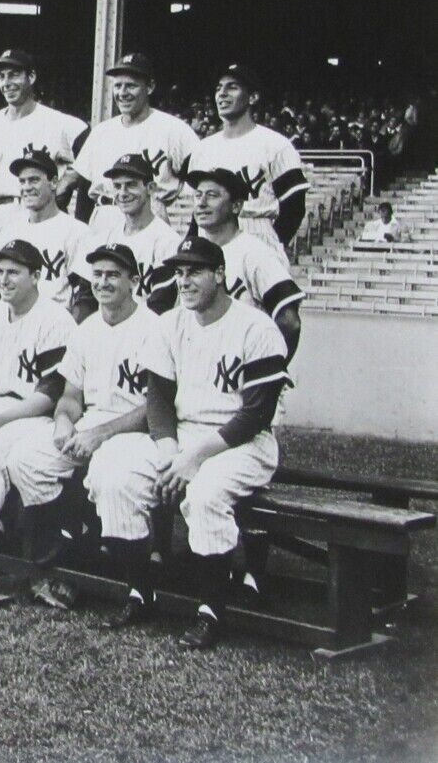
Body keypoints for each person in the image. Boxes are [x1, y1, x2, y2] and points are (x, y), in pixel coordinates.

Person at [86, 236, 290, 650]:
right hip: (180, 436)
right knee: (113, 472)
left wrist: (193, 457)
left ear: (220, 275)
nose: (185, 281)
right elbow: (158, 398)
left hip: (241, 443)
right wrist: (168, 451)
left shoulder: (257, 327)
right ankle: (140, 592)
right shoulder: (169, 324)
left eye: (194, 271)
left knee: (206, 493)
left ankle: (211, 611)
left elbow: (256, 414)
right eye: (179, 273)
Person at [0, 244, 156, 603]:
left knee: (105, 479)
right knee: (25, 459)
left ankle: (113, 571)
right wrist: (65, 422)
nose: (103, 282)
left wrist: (96, 434)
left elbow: (155, 407)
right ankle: (59, 546)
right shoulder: (88, 327)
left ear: (135, 281)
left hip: (134, 434)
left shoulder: (153, 329)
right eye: (97, 275)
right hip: (88, 422)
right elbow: (70, 396)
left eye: (113, 275)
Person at [63, 53, 199, 231]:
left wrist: (193, 233)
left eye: (131, 86)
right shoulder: (101, 132)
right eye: (118, 86)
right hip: (105, 214)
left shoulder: (174, 130)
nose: (122, 93)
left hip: (150, 215)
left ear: (149, 87)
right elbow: (84, 187)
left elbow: (202, 180)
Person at [185, 64, 308, 255]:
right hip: (208, 238)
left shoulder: (275, 144)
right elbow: (198, 209)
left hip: (255, 228)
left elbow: (294, 207)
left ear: (253, 97)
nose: (222, 94)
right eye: (219, 88)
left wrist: (274, 244)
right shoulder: (203, 148)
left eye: (232, 87)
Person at [184, 168, 303, 357]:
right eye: (198, 195)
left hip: (239, 365)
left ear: (236, 206)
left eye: (212, 195)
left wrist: (269, 372)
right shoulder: (192, 253)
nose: (202, 203)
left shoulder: (254, 253)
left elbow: (289, 322)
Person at [0, 49, 88, 228]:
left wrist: (66, 182)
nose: (7, 83)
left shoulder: (56, 121)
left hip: (34, 216)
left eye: (14, 75)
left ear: (32, 77)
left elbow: (92, 151)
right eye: (2, 77)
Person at [69, 153, 180, 314]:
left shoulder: (168, 241)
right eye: (117, 186)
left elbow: (161, 305)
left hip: (147, 331)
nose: (123, 192)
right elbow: (86, 300)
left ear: (151, 188)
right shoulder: (104, 236)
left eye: (131, 185)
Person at [0, 151, 88, 310]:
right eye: (22, 181)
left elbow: (85, 298)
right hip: (13, 322)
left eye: (34, 180)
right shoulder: (10, 230)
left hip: (56, 322)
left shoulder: (76, 231)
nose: (27, 187)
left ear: (53, 182)